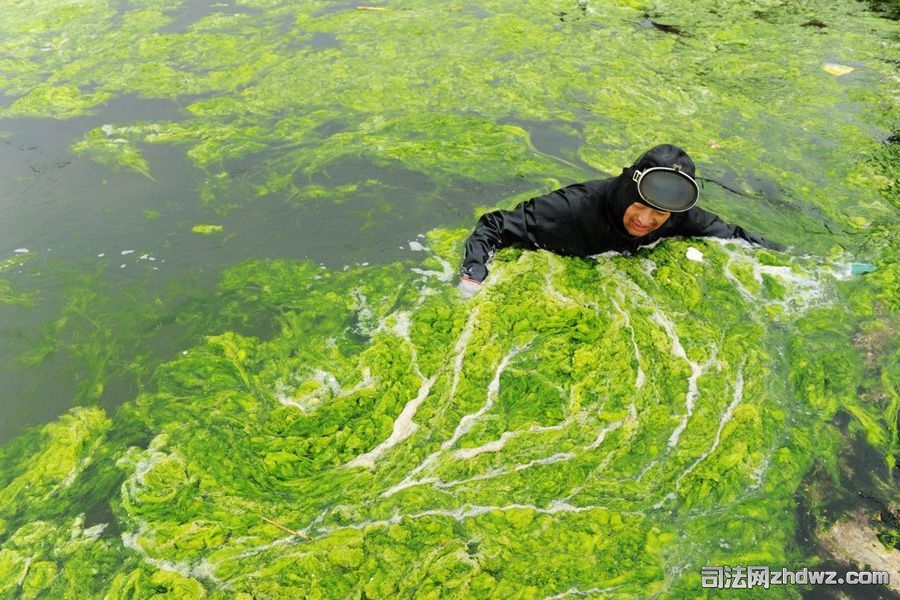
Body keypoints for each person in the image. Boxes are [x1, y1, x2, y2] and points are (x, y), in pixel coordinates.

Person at [458, 144, 782, 296]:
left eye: (659, 213)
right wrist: (473, 274)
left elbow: (732, 235)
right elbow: (494, 225)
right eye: (640, 206)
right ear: (629, 190)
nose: (646, 220)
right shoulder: (570, 208)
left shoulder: (677, 217)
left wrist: (783, 259)